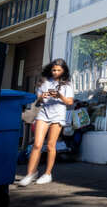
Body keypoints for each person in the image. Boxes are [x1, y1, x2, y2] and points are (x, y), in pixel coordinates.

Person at [18, 58, 75, 186]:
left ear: (64, 71)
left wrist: (59, 96)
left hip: (58, 115)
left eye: (58, 70)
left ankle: (47, 174)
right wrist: (41, 97)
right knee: (37, 144)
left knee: (50, 145)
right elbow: (37, 101)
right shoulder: (44, 82)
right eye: (54, 70)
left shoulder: (67, 84)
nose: (55, 72)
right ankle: (30, 173)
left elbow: (70, 102)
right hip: (43, 114)